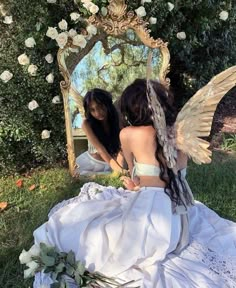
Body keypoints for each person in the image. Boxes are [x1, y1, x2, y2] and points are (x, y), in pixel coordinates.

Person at [32, 78, 236, 288]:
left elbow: (134, 176)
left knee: (89, 234)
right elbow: (178, 177)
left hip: (150, 223)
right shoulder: (180, 133)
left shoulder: (128, 134)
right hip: (177, 225)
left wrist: (134, 185)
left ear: (132, 107)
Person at [75, 88, 124, 175]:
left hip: (113, 165)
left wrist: (120, 169)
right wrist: (120, 171)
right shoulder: (86, 124)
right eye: (92, 110)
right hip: (90, 164)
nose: (97, 113)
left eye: (100, 107)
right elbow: (101, 150)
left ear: (107, 104)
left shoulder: (118, 120)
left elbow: (121, 150)